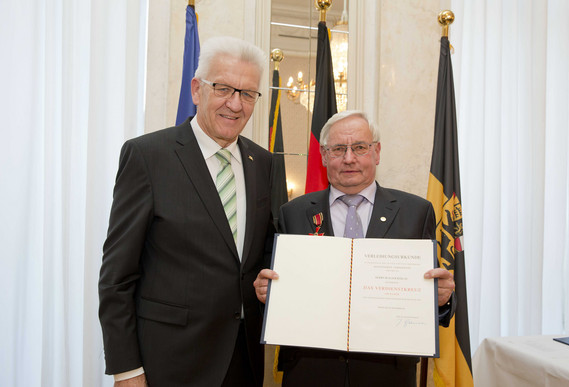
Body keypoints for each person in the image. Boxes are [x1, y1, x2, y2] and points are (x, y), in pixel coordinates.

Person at [99, 36, 275, 387]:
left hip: (244, 362)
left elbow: (265, 254)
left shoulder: (265, 163)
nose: (235, 104)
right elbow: (117, 277)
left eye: (248, 94)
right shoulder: (148, 157)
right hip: (169, 364)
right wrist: (127, 370)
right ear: (197, 90)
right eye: (223, 88)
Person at [254, 110, 456, 387]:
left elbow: (426, 301)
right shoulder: (293, 213)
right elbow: (278, 293)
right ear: (324, 156)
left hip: (388, 374)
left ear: (377, 152)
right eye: (338, 149)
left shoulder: (416, 212)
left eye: (360, 147)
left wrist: (441, 299)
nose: (349, 158)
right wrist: (267, 292)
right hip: (310, 371)